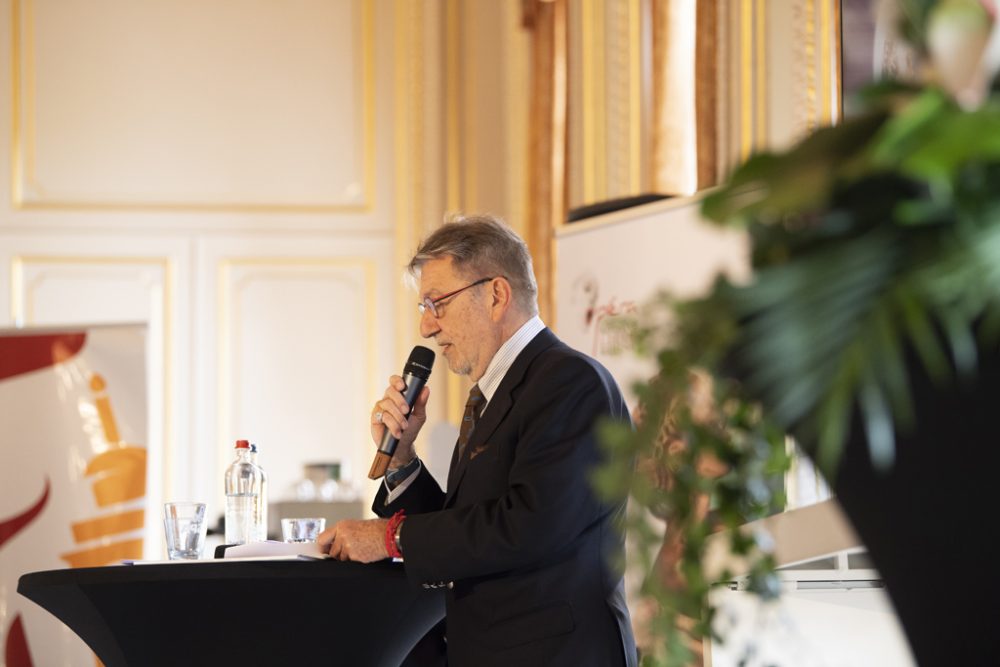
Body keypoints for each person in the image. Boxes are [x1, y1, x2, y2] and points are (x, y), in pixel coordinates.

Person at [318, 213, 637, 666]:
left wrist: (392, 537)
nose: (427, 327)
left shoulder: (571, 382)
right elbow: (466, 526)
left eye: (437, 304)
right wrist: (401, 457)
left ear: (496, 295)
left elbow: (528, 526)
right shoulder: (493, 395)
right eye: (423, 309)